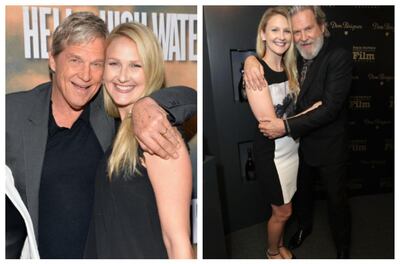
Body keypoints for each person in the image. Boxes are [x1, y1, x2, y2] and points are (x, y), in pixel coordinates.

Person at [6, 12, 196, 259]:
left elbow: (191, 98)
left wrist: (149, 103)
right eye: (75, 60)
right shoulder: (14, 113)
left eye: (97, 63)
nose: (85, 75)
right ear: (52, 60)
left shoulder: (144, 128)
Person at [244, 6, 352, 258]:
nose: (302, 37)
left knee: (336, 203)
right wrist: (249, 60)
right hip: (296, 147)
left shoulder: (337, 56)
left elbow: (330, 108)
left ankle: (343, 250)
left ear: (322, 28)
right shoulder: (296, 57)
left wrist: (286, 126)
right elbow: (267, 58)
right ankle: (301, 231)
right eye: (297, 31)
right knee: (298, 200)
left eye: (308, 29)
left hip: (328, 147)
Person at [83, 22, 193, 259]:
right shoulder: (120, 131)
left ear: (151, 70)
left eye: (135, 65)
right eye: (114, 64)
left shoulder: (157, 134)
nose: (122, 76)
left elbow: (178, 243)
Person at [245, 7, 320, 259]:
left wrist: (250, 58)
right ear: (263, 34)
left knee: (286, 207)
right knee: (283, 212)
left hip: (292, 150)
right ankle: (271, 252)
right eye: (275, 29)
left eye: (287, 30)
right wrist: (312, 112)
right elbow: (272, 127)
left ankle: (277, 246)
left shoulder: (292, 68)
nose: (282, 35)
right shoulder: (256, 73)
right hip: (272, 154)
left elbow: (286, 120)